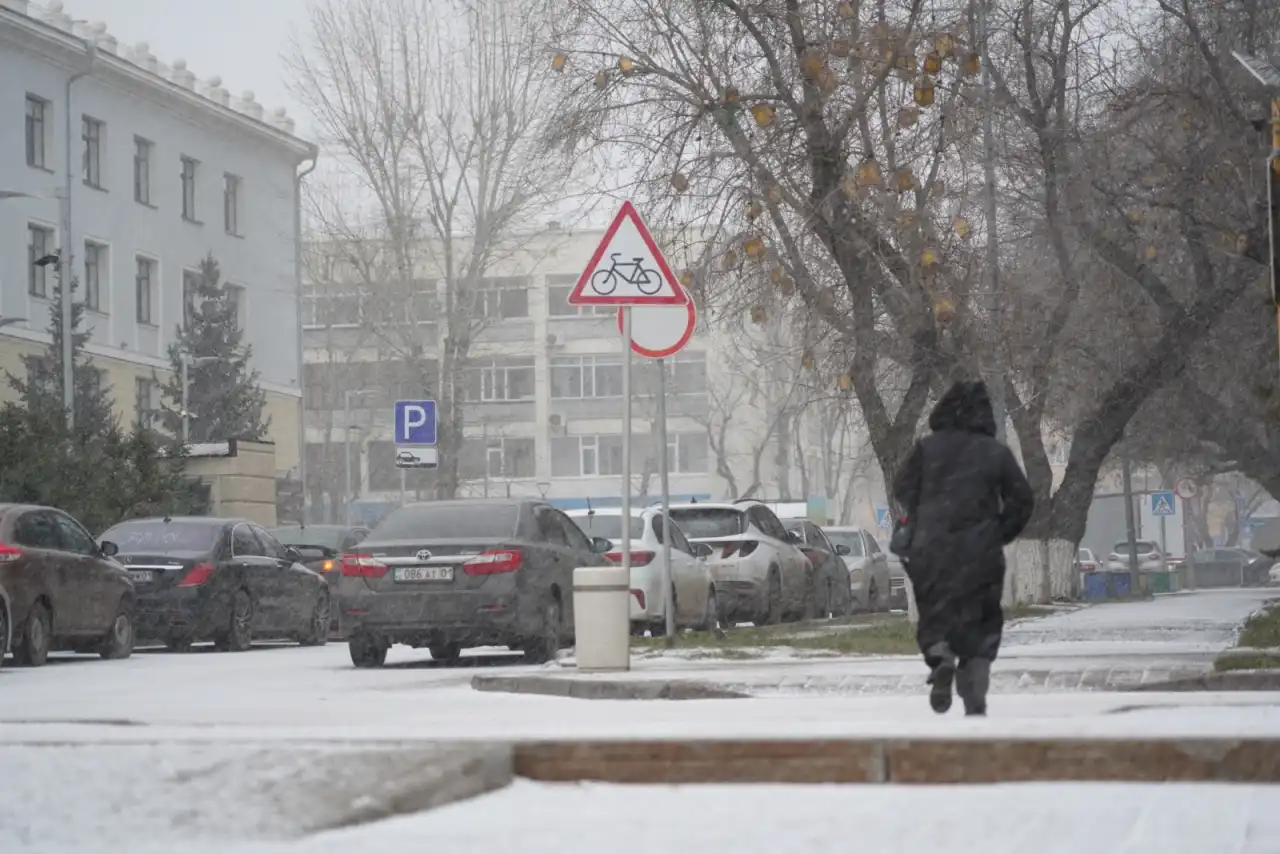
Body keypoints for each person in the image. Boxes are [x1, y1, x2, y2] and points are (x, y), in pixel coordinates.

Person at [892, 380, 1034, 716]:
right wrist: (1000, 531)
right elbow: (1023, 499)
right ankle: (975, 696)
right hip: (980, 552)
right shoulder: (995, 452)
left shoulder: (927, 449)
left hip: (931, 550)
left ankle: (940, 655)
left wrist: (926, 515)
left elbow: (902, 489)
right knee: (981, 623)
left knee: (935, 614)